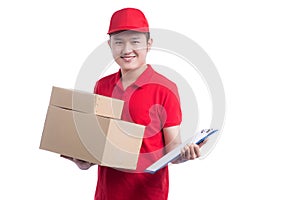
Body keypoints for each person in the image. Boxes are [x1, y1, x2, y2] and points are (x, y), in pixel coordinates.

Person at [64, 7, 207, 200]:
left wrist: (184, 154)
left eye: (135, 42)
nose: (126, 50)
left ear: (149, 44)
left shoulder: (165, 89)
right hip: (107, 195)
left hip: (148, 195)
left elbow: (172, 149)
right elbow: (98, 145)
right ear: (110, 45)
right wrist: (83, 161)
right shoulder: (102, 86)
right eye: (119, 42)